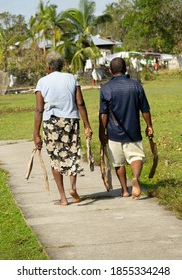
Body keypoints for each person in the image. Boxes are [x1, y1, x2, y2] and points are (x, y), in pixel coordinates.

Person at [34, 51, 93, 206]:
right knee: (72, 153)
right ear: (62, 66)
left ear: (48, 67)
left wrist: (36, 134)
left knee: (56, 159)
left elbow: (39, 109)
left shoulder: (42, 82)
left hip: (51, 122)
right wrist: (87, 125)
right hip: (71, 121)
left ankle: (63, 198)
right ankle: (72, 188)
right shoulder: (72, 78)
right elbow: (80, 103)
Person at [99, 57, 154, 199]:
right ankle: (135, 177)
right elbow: (145, 109)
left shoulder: (105, 88)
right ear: (126, 69)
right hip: (133, 131)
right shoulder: (136, 86)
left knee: (118, 162)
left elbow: (103, 114)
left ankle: (124, 190)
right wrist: (149, 126)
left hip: (113, 133)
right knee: (136, 156)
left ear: (110, 71)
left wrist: (102, 132)